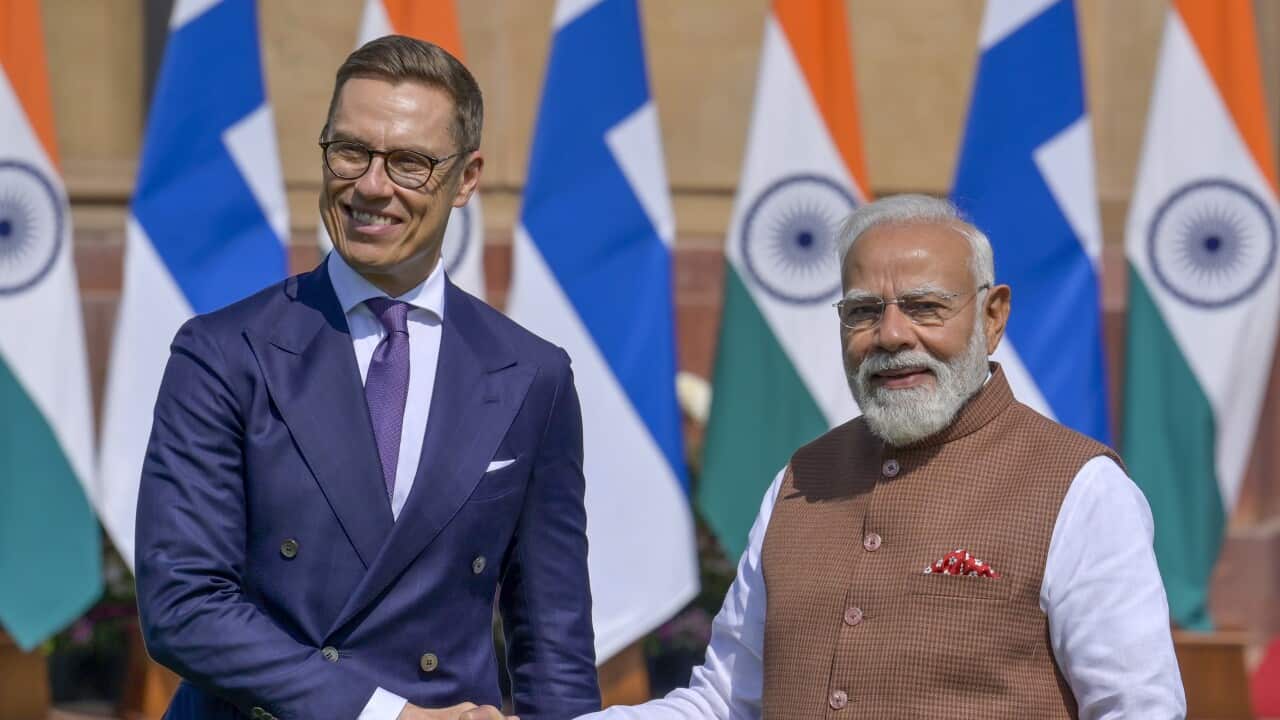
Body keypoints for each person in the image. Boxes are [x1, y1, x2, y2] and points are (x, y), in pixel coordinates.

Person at [135, 36, 600, 720]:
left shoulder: (534, 374)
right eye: (351, 151)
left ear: (467, 178)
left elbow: (554, 644)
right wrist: (386, 716)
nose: (372, 186)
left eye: (410, 163)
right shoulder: (224, 353)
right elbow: (183, 605)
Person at [582, 194, 1186, 719]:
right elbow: (723, 703)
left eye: (925, 307)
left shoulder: (1079, 488)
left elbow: (1137, 708)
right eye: (865, 311)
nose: (892, 335)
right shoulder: (802, 480)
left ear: (992, 316)